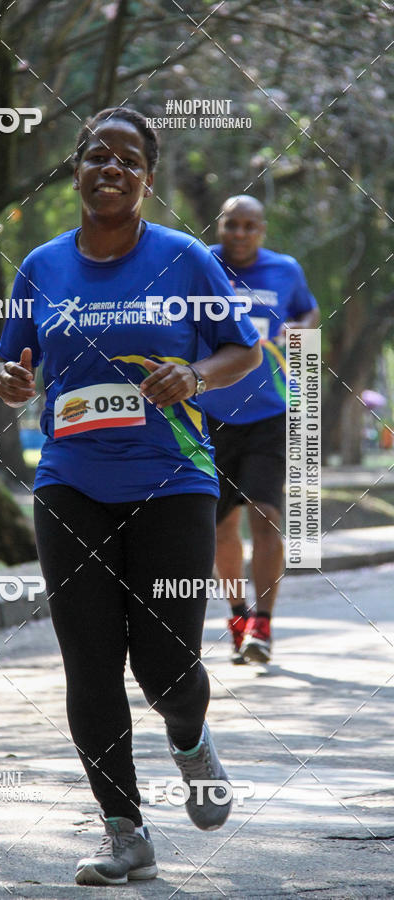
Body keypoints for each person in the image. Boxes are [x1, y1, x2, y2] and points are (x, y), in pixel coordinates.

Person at [0, 109, 261, 886]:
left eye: (129, 159)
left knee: (167, 664)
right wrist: (9, 380)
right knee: (90, 662)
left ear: (148, 177)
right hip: (70, 481)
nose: (111, 168)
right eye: (96, 156)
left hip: (174, 481)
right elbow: (16, 365)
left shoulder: (182, 259)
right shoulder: (41, 265)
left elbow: (244, 346)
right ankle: (125, 832)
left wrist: (198, 375)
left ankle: (189, 737)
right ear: (75, 170)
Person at [197, 196, 320, 665]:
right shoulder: (201, 263)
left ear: (262, 230)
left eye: (251, 226)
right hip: (209, 412)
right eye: (232, 225)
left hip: (270, 410)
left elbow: (309, 312)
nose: (241, 234)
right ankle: (237, 618)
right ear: (220, 225)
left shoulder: (285, 270)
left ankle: (263, 626)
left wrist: (299, 330)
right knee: (220, 524)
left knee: (265, 514)